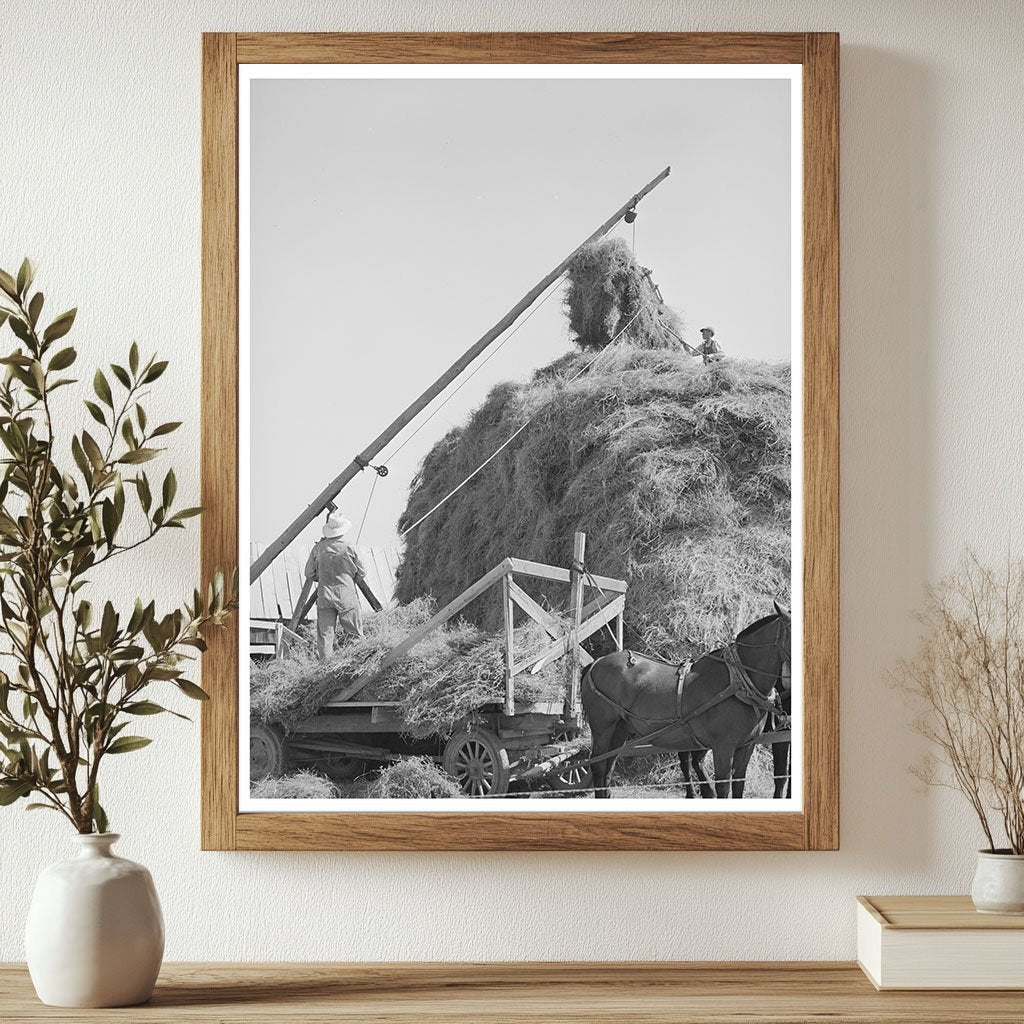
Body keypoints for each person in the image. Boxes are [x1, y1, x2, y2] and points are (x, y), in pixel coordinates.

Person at [304, 511, 367, 660]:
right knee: (354, 634)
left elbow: (309, 573)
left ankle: (325, 668)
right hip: (346, 594)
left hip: (325, 595)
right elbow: (362, 572)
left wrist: (323, 578)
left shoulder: (318, 548)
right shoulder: (350, 546)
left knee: (325, 637)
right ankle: (356, 664)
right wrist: (350, 580)